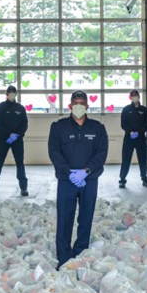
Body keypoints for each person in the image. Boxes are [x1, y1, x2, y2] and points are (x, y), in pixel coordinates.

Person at [48, 90, 108, 268]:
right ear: (70, 106)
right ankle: (64, 258)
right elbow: (54, 152)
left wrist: (86, 171)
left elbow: (102, 153)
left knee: (86, 218)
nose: (79, 106)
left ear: (87, 106)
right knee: (64, 218)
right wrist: (69, 172)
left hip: (88, 181)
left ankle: (81, 254)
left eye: (82, 103)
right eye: (76, 103)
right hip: (67, 181)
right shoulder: (59, 127)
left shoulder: (97, 128)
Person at [0, 85, 29, 197]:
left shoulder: (20, 108)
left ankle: (23, 187)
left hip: (17, 139)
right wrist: (8, 134)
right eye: (10, 92)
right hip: (4, 139)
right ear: (6, 94)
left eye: (13, 92)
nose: (12, 94)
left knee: (20, 163)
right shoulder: (0, 107)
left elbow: (24, 124)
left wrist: (16, 135)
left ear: (16, 94)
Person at [119, 89, 147, 189]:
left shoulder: (144, 110)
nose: (134, 97)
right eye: (132, 95)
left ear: (139, 96)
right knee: (126, 159)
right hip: (129, 138)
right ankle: (122, 180)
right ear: (130, 97)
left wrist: (139, 132)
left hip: (141, 138)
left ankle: (145, 180)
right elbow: (123, 124)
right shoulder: (126, 109)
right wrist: (130, 132)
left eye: (135, 95)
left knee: (143, 160)